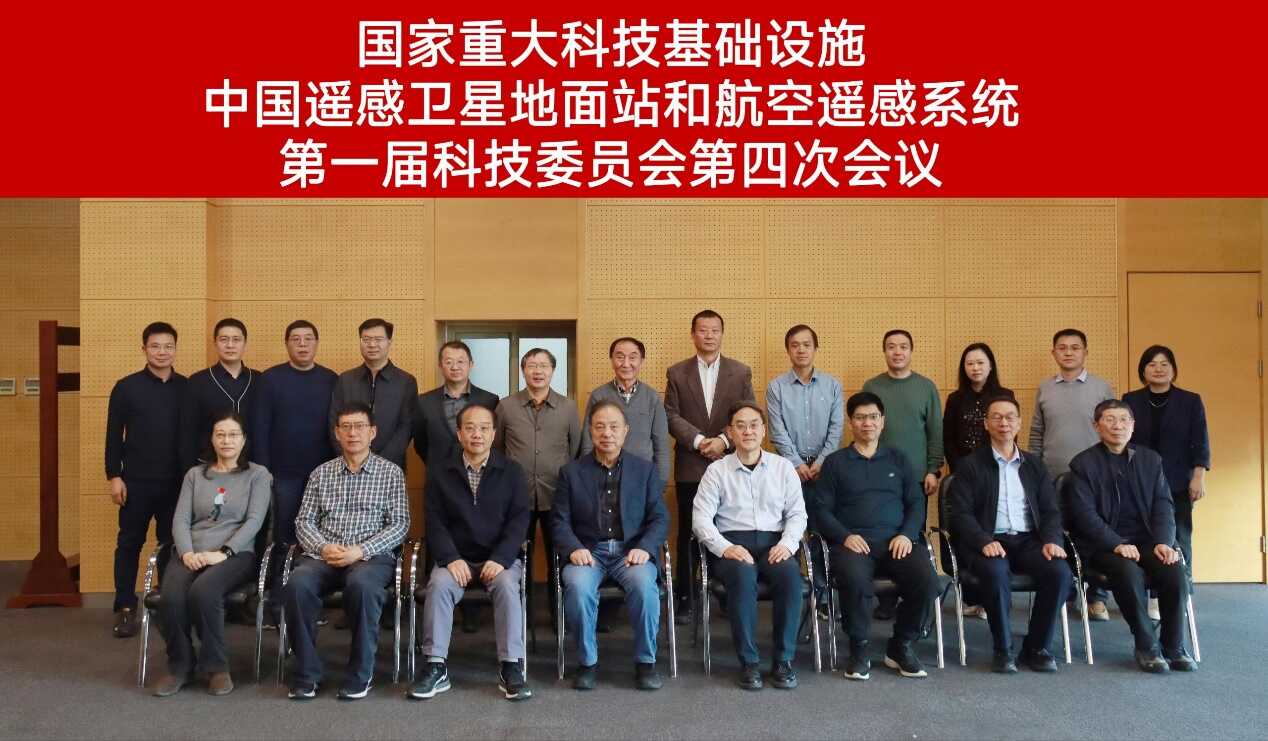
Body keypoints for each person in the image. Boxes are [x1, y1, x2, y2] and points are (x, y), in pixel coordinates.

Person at [283, 402, 410, 700]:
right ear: (337, 433)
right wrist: (323, 546)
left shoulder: (391, 473)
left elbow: (400, 524)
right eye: (347, 427)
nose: (353, 433)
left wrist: (361, 550)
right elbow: (304, 521)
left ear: (372, 432)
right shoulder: (321, 473)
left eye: (360, 427)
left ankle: (360, 673)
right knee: (297, 584)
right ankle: (307, 674)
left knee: (362, 586)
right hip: (323, 555)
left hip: (370, 557)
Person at [411, 405, 533, 702]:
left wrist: (500, 558)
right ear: (459, 433)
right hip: (456, 558)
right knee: (439, 585)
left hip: (499, 559)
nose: (477, 434)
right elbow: (434, 521)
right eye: (470, 428)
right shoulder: (440, 472)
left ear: (493, 434)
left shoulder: (512, 472)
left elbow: (519, 522)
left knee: (507, 585)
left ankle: (511, 666)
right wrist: (451, 558)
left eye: (483, 428)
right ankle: (435, 665)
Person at [810, 392, 936, 681]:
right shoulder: (836, 462)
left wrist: (907, 535)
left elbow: (916, 503)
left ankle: (901, 645)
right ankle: (859, 648)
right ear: (850, 423)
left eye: (873, 417)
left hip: (896, 542)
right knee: (854, 580)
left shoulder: (898, 459)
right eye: (860, 417)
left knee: (927, 580)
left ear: (882, 421)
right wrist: (844, 536)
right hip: (853, 544)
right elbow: (821, 510)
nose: (867, 423)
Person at [1064, 400, 1196, 673]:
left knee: (1173, 569)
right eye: (1110, 419)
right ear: (1097, 426)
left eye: (1124, 420)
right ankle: (1146, 645)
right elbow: (1084, 516)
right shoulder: (1083, 464)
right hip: (1103, 546)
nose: (1118, 426)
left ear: (1133, 426)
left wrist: (1164, 541)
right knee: (1128, 571)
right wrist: (1117, 544)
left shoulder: (1150, 460)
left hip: (1147, 542)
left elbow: (1164, 505)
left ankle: (1173, 646)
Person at [552, 401, 670, 691]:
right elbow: (559, 521)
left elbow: (659, 518)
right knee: (578, 588)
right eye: (600, 427)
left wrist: (645, 547)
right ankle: (587, 663)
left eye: (614, 427)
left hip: (630, 553)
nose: (607, 433)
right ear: (590, 431)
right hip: (588, 553)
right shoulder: (571, 472)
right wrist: (573, 548)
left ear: (625, 430)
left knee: (645, 587)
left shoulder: (644, 470)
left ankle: (645, 663)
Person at [948, 396, 1071, 674]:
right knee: (995, 572)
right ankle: (1003, 649)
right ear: (986, 424)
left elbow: (1051, 510)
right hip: (989, 540)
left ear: (1018, 423)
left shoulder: (1034, 465)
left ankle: (1037, 647)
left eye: (1009, 417)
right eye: (997, 417)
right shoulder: (970, 465)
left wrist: (1052, 541)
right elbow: (960, 514)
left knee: (1060, 573)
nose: (1003, 422)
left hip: (1029, 540)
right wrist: (984, 541)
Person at [153, 412, 270, 696]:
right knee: (171, 597)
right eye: (220, 434)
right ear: (212, 439)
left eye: (233, 435)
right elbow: (181, 520)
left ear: (244, 440)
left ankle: (216, 667)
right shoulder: (195, 475)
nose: (226, 440)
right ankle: (180, 665)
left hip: (236, 554)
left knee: (204, 591)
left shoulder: (258, 475)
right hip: (192, 551)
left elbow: (254, 521)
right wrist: (186, 553)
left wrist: (224, 552)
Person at [693, 402, 806, 691]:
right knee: (742, 577)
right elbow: (701, 519)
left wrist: (788, 544)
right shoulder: (716, 471)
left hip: (774, 543)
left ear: (764, 430)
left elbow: (797, 514)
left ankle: (783, 661)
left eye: (754, 425)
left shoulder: (782, 468)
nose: (748, 431)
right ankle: (749, 662)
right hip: (732, 545)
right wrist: (724, 547)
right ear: (730, 432)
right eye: (740, 426)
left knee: (790, 578)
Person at [666, 310, 755, 624]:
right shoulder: (677, 373)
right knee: (689, 532)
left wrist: (723, 440)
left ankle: (729, 594)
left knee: (729, 528)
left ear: (722, 333)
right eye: (703, 330)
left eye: (715, 330)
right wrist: (701, 440)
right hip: (691, 464)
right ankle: (686, 598)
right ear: (693, 334)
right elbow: (671, 415)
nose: (709, 335)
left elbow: (749, 411)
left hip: (730, 463)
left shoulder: (740, 372)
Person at [105, 321, 189, 638]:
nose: (162, 352)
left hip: (176, 482)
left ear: (175, 349)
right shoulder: (126, 387)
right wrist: (114, 476)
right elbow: (113, 436)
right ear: (144, 349)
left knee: (170, 545)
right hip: (136, 481)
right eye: (155, 346)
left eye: (168, 346)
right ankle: (126, 607)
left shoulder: (187, 388)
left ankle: (166, 604)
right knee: (129, 544)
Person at [1029, 328, 1115, 620]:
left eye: (1075, 347)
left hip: (1094, 478)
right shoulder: (1045, 388)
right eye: (1062, 347)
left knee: (1094, 532)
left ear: (1085, 352)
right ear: (1053, 353)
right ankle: (1064, 594)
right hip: (1053, 475)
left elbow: (1112, 430)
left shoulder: (1101, 387)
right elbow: (1037, 432)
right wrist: (1035, 470)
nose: (1068, 352)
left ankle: (1096, 598)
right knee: (1057, 533)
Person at [495, 347, 581, 625]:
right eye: (532, 365)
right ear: (523, 370)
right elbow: (496, 449)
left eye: (544, 365)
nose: (538, 371)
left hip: (557, 494)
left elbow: (577, 450)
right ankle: (521, 616)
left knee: (560, 554)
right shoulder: (506, 406)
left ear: (553, 370)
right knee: (518, 555)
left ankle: (559, 615)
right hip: (516, 496)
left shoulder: (568, 407)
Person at [861, 329, 943, 621]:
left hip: (917, 476)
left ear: (911, 351)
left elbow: (935, 432)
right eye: (891, 347)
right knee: (882, 535)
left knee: (911, 537)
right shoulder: (872, 386)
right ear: (884, 351)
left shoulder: (926, 387)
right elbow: (865, 429)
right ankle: (886, 600)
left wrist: (933, 469)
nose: (897, 352)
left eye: (903, 347)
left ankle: (914, 599)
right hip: (879, 476)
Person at [765, 324, 843, 616]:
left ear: (815, 348)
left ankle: (822, 596)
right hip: (789, 469)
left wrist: (821, 463)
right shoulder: (776, 387)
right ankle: (796, 593)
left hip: (825, 470)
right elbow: (777, 431)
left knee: (822, 531)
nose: (801, 350)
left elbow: (836, 429)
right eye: (795, 345)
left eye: (807, 344)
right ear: (788, 350)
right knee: (790, 529)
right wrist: (796, 464)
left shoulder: (832, 385)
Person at [1122, 345, 1209, 590]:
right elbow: (1124, 441)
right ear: (1143, 370)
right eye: (1152, 364)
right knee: (1144, 535)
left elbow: (1200, 441)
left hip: (1178, 480)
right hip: (1139, 480)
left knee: (1179, 535)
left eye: (1164, 364)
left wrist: (1198, 476)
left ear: (1173, 369)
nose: (1158, 369)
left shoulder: (1190, 401)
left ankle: (1183, 590)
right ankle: (1150, 592)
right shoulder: (1130, 400)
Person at [942, 342, 1015, 620]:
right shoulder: (955, 398)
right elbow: (948, 438)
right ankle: (971, 597)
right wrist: (961, 468)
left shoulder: (1004, 396)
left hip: (996, 472)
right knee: (967, 527)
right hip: (963, 474)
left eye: (980, 362)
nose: (975, 368)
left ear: (990, 365)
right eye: (970, 363)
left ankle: (991, 596)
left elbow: (1009, 435)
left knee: (992, 527)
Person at [253, 320, 336, 554]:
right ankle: (282, 574)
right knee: (284, 530)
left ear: (316, 343)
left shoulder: (331, 379)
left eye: (308, 339)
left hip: (322, 472)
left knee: (321, 529)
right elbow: (260, 427)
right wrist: (264, 469)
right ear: (286, 344)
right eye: (296, 339)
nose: (302, 344)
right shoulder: (269, 379)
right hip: (282, 473)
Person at [580, 337, 672, 486]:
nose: (626, 363)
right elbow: (587, 441)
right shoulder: (598, 395)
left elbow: (661, 446)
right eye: (620, 357)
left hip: (642, 478)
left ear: (641, 361)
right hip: (603, 476)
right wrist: (588, 478)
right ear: (612, 360)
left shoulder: (652, 397)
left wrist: (660, 483)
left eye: (633, 357)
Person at [330, 318, 418, 472]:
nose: (372, 345)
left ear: (389, 342)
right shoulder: (345, 379)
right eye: (366, 339)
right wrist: (351, 458)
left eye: (378, 339)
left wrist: (379, 464)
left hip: (390, 468)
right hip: (348, 466)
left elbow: (406, 427)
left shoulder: (406, 381)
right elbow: (334, 422)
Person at [183, 318, 258, 470]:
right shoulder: (197, 381)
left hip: (251, 467)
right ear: (215, 343)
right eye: (224, 339)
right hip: (209, 467)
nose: (230, 345)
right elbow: (188, 432)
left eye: (236, 339)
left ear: (245, 343)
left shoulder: (260, 380)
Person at [413, 340, 499, 470]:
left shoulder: (489, 400)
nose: (455, 367)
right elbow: (420, 443)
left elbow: (496, 441)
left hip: (479, 474)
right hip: (438, 474)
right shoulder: (424, 401)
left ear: (471, 365)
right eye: (449, 362)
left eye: (460, 361)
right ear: (440, 365)